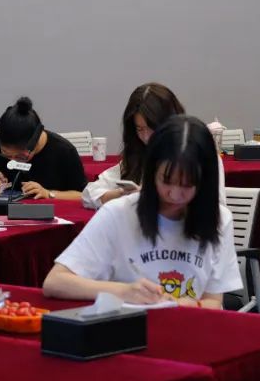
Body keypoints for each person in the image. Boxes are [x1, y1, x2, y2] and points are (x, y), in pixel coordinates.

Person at [43, 116, 242, 308]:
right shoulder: (118, 214)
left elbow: (213, 302)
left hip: (186, 326)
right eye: (166, 181)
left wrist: (190, 305)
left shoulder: (219, 219)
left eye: (187, 185)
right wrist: (124, 292)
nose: (174, 194)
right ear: (151, 173)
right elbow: (55, 282)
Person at [82, 82, 226, 209]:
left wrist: (156, 199)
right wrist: (121, 194)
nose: (146, 137)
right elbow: (89, 194)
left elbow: (216, 211)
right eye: (140, 129)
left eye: (152, 128)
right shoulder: (138, 157)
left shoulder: (202, 156)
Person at [0, 97, 87, 200]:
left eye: (21, 156)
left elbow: (82, 195)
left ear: (36, 140)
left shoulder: (64, 151)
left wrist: (48, 193)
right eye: (6, 154)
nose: (13, 160)